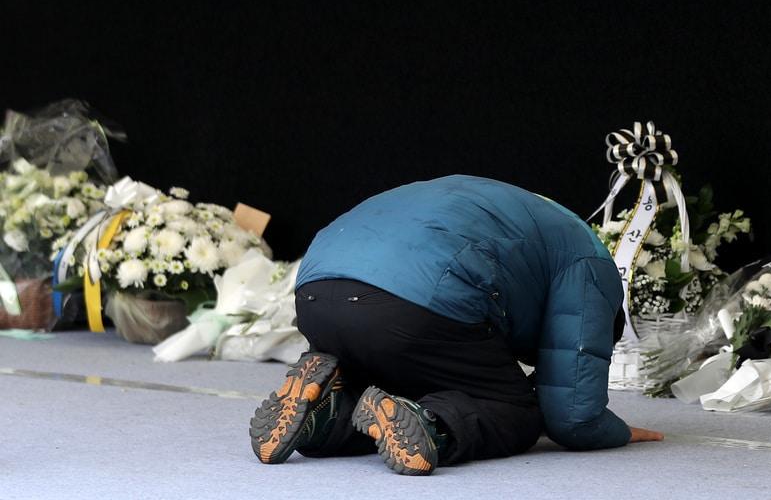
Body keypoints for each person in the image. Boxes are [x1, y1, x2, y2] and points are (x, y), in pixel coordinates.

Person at [248, 175, 663, 475]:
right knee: (515, 410)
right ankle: (432, 425)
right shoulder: (590, 262)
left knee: (404, 373)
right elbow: (571, 414)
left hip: (316, 289)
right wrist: (611, 431)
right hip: (415, 295)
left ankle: (324, 416)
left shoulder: (525, 213)